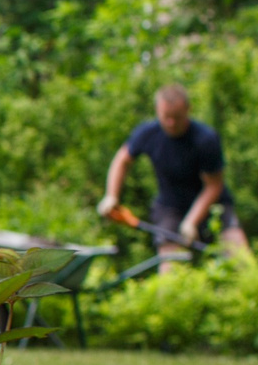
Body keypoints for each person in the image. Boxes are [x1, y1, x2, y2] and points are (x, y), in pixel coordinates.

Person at [98, 84, 249, 258]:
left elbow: (214, 186)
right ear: (157, 110)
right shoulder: (148, 133)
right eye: (166, 117)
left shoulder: (205, 139)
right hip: (170, 207)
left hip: (214, 205)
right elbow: (122, 160)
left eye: (177, 117)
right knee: (170, 266)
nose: (171, 123)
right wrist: (112, 196)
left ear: (188, 109)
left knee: (240, 258)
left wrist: (192, 221)